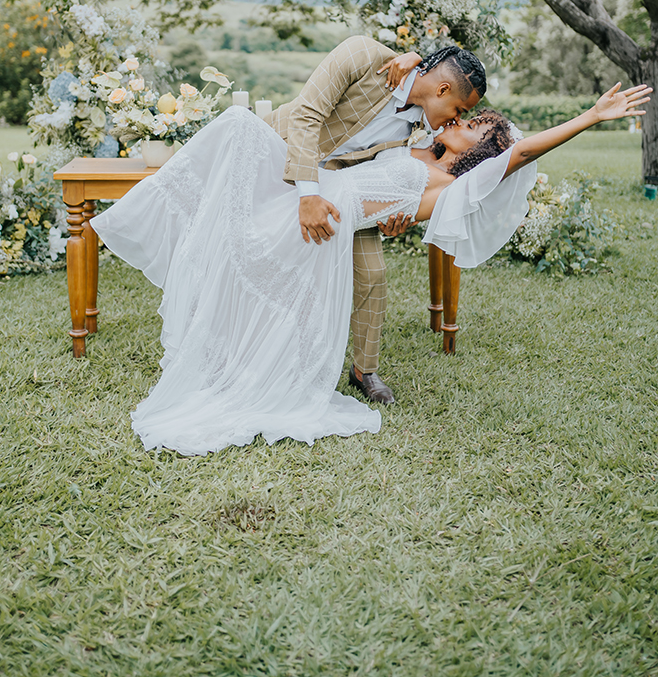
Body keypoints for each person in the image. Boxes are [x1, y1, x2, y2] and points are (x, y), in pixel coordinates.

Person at [90, 78, 650, 456]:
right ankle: (141, 222)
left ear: (485, 151)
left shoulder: (453, 184)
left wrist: (592, 116)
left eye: (476, 124)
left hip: (320, 222)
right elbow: (404, 109)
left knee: (235, 168)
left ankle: (133, 228)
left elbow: (523, 154)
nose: (464, 118)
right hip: (309, 196)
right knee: (236, 131)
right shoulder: (420, 149)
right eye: (465, 111)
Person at [269, 37, 486, 404]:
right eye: (458, 109)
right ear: (443, 88)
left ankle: (363, 371)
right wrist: (308, 193)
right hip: (281, 155)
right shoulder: (362, 56)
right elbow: (307, 115)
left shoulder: (427, 126)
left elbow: (407, 173)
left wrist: (393, 215)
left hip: (342, 190)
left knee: (373, 274)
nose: (457, 119)